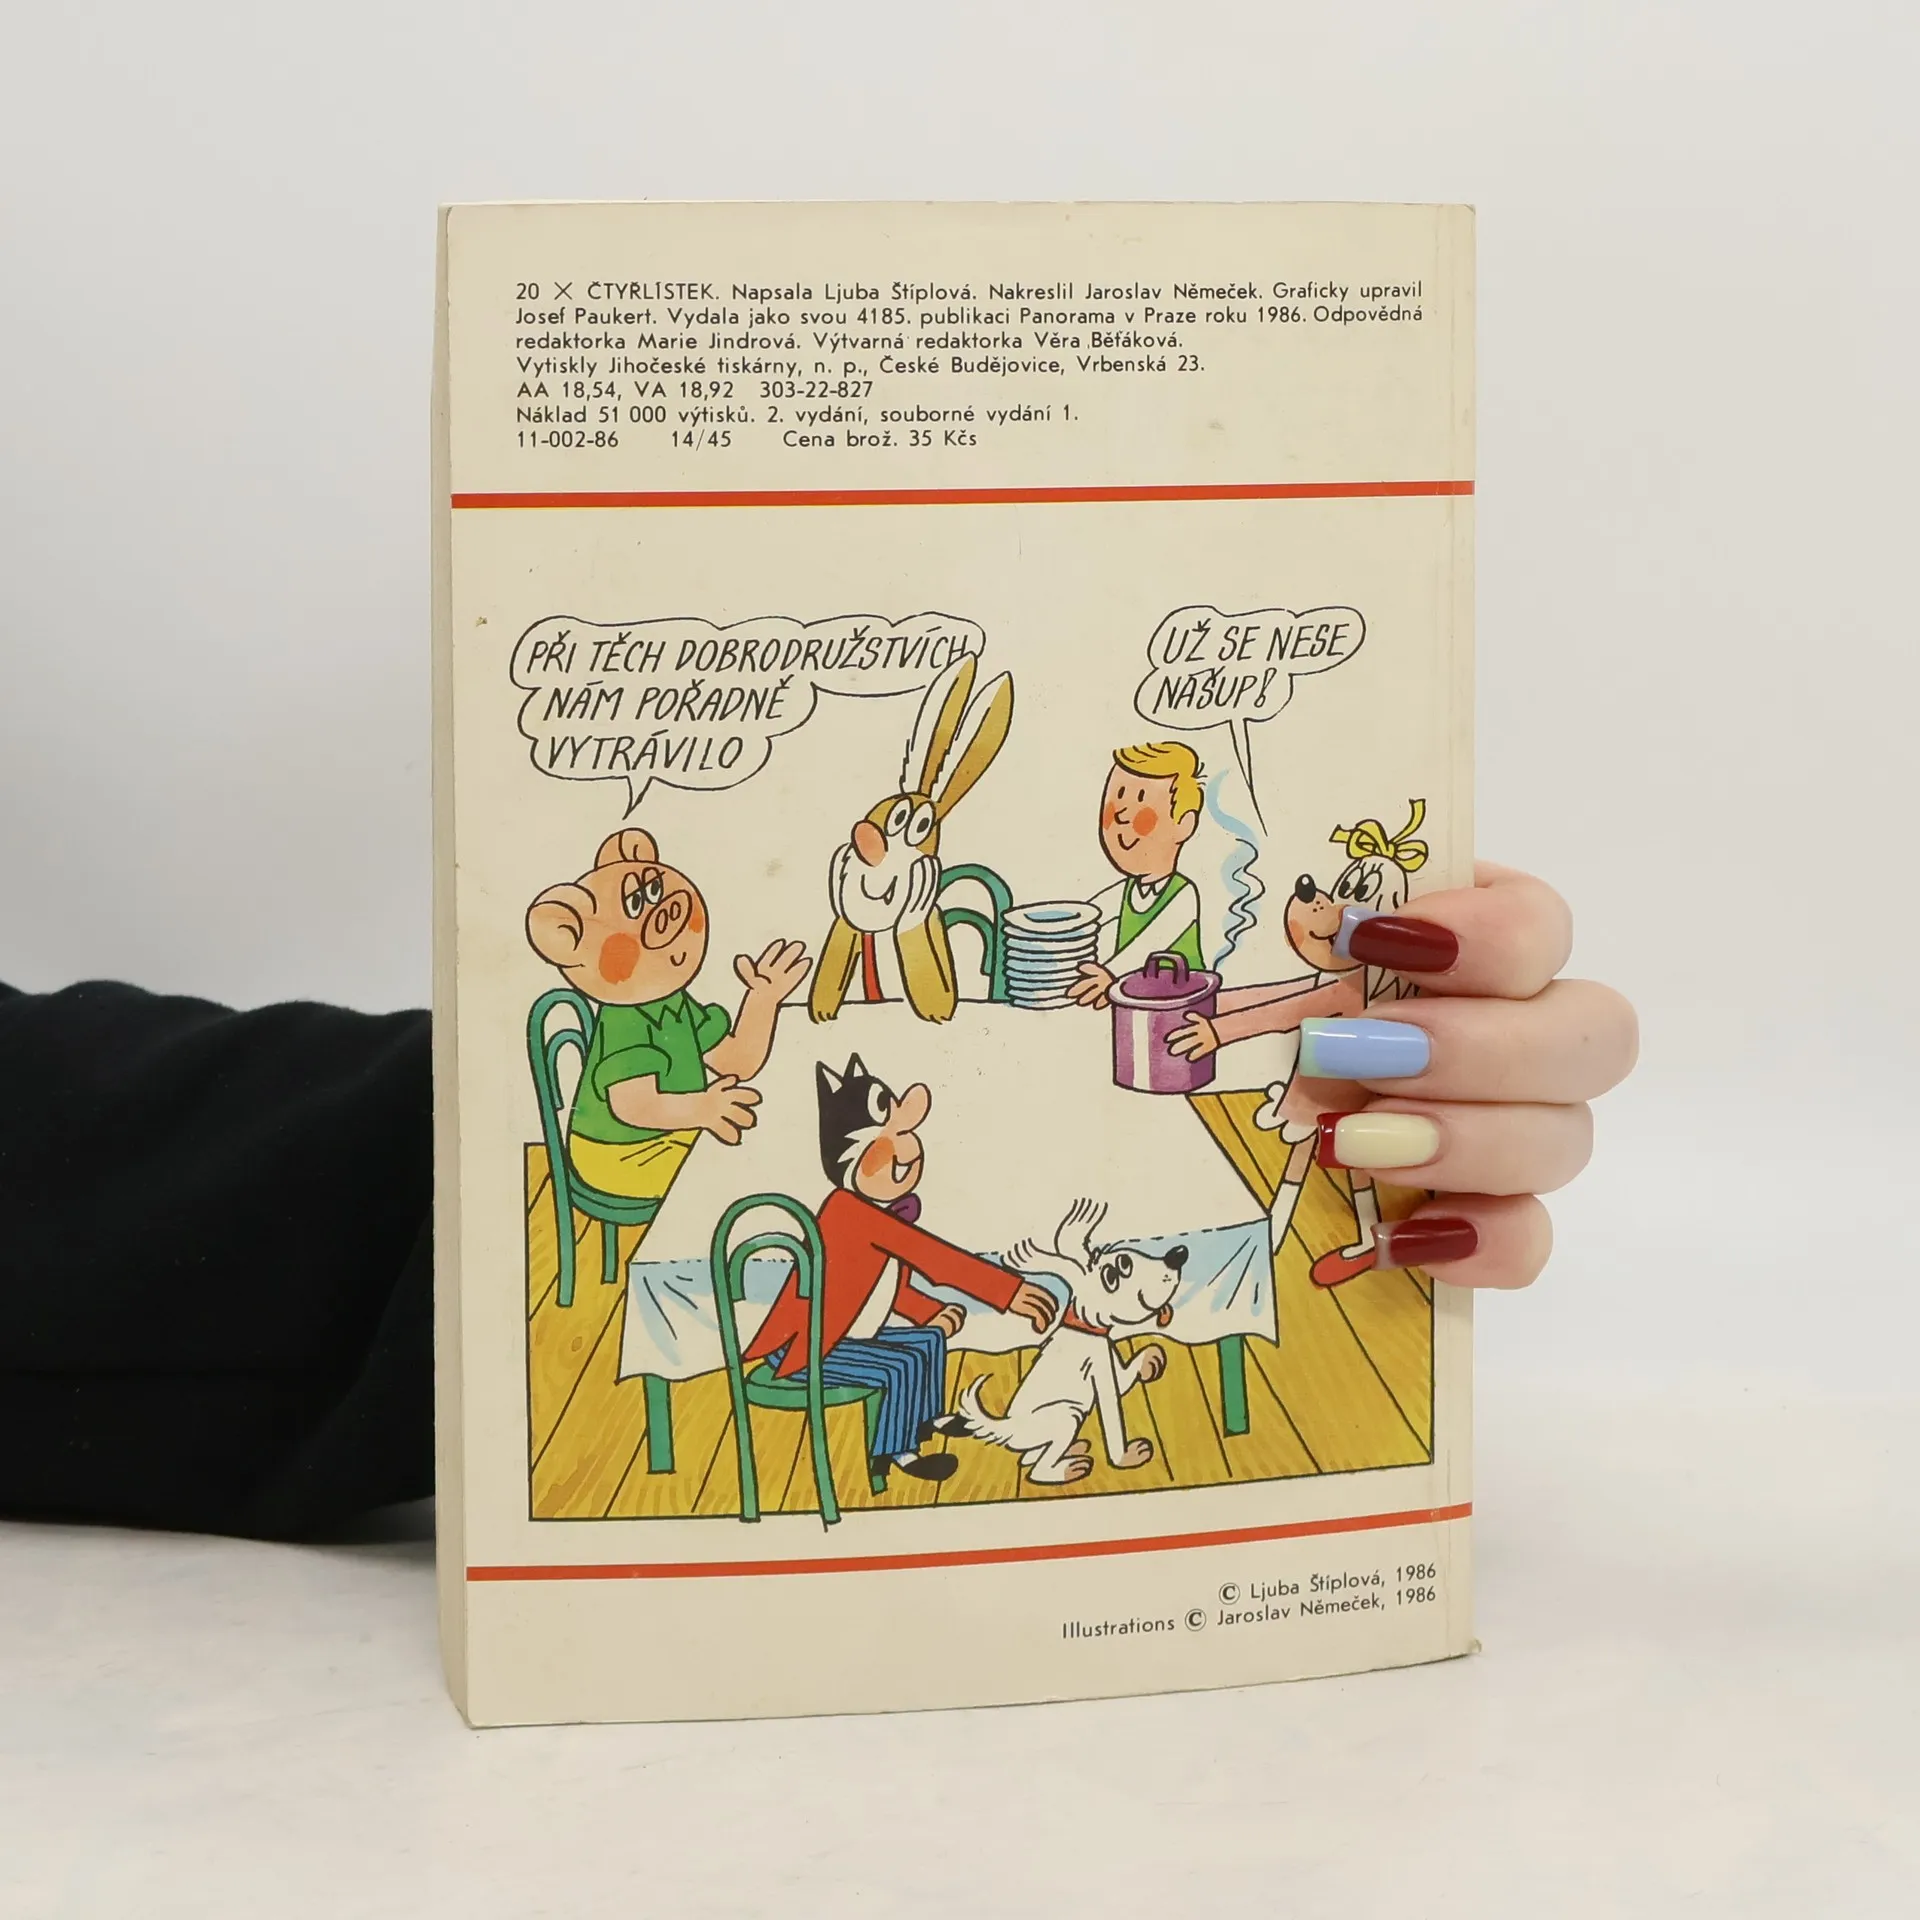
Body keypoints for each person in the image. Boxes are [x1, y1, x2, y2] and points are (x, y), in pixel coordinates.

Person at [0, 863, 1637, 1539]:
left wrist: (440, 1196)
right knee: (920, 1351)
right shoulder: (854, 1208)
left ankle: (1015, 1406)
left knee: (982, 1317)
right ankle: (960, 1428)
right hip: (801, 1338)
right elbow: (921, 1255)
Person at [739, 1056, 1057, 1483]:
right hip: (809, 1348)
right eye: (886, 1149)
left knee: (929, 1340)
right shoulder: (850, 1211)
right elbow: (931, 1257)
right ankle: (896, 1454)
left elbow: (882, 1288)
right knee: (900, 1366)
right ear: (853, 1163)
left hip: (845, 1333)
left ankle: (927, 1420)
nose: (906, 1157)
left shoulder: (876, 1211)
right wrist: (1008, 1292)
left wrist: (928, 1312)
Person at [1067, 741, 1208, 1009]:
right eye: (1116, 800)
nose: (1121, 816)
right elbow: (1086, 917)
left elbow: (1151, 942)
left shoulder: (1183, 894)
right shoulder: (1124, 892)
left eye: (1140, 801)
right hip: (1136, 1004)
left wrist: (1111, 975)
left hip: (1184, 1006)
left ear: (1184, 824)